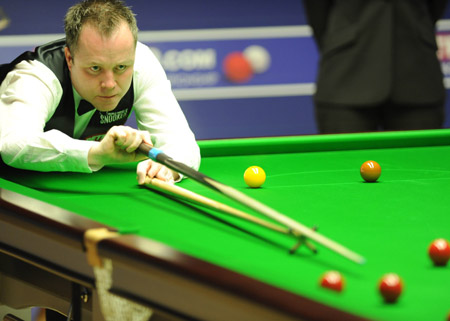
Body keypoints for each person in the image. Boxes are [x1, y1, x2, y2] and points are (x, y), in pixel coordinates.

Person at [0, 0, 200, 186]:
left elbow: (180, 140)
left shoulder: (142, 62)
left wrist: (168, 168)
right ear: (69, 59)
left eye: (121, 67)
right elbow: (14, 145)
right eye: (95, 68)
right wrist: (97, 153)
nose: (110, 84)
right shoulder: (36, 77)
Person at [302, 0, 448, 134]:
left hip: (418, 78)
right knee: (345, 162)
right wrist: (341, 41)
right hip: (345, 77)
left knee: (419, 161)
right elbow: (317, 10)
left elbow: (435, 6)